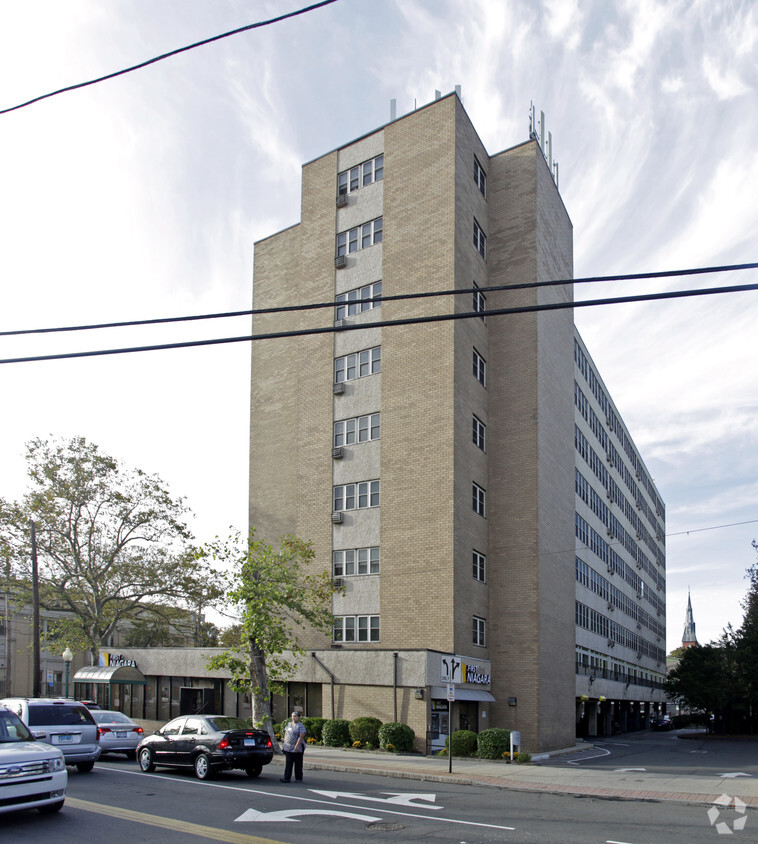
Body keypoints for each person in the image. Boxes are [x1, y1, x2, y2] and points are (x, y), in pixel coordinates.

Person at [280, 711, 307, 783]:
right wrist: (284, 742)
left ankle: (298, 778)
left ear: (298, 717)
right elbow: (286, 732)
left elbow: (302, 735)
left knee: (298, 764)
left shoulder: (300, 725)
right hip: (288, 747)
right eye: (292, 716)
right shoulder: (289, 724)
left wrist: (297, 746)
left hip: (297, 748)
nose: (293, 718)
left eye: (295, 716)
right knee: (288, 763)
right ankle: (286, 778)